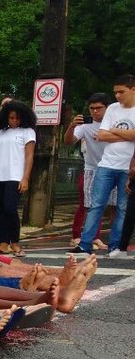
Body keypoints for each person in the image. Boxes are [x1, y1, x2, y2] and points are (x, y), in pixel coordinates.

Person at [75, 75, 135, 257]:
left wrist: (114, 131)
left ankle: (115, 246)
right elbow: (102, 135)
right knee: (96, 205)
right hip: (106, 164)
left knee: (123, 208)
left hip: (127, 166)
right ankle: (85, 245)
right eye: (115, 92)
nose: (117, 95)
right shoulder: (112, 109)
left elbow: (111, 133)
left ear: (133, 90)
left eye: (121, 92)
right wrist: (128, 134)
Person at [0, 100, 36, 257]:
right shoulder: (1, 132)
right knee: (0, 210)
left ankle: (15, 242)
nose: (14, 121)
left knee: (10, 208)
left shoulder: (28, 132)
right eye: (11, 118)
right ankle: (3, 243)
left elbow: (29, 155)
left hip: (15, 176)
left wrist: (25, 178)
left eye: (17, 118)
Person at [64, 93, 113, 249]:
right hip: (91, 169)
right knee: (87, 205)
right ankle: (78, 236)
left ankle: (98, 237)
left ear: (107, 108)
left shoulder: (115, 123)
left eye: (99, 108)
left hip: (113, 167)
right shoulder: (85, 125)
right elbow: (68, 141)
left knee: (111, 205)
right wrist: (72, 126)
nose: (95, 111)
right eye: (92, 108)